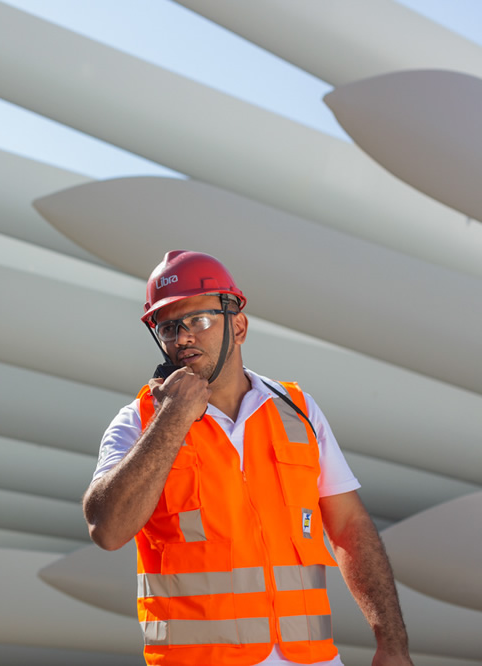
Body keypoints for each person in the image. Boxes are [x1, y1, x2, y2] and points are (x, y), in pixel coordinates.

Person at [82, 250, 412, 666]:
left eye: (198, 321)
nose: (182, 338)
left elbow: (349, 526)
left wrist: (393, 644)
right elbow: (107, 530)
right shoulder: (139, 421)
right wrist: (171, 420)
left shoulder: (299, 411)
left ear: (238, 325)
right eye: (168, 327)